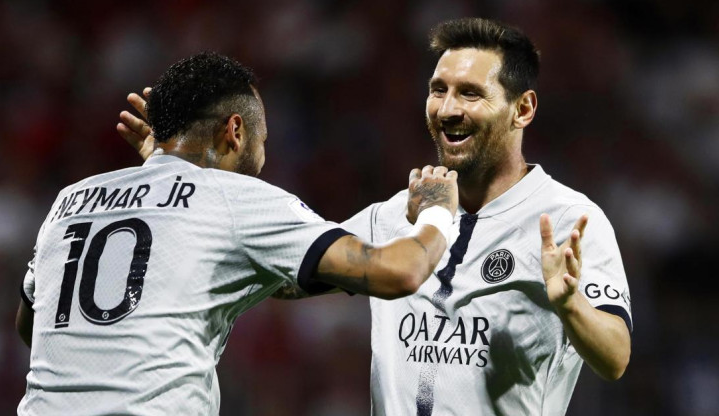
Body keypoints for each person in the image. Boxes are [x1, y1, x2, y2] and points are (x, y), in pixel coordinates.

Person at [119, 19, 632, 415]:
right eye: (438, 89)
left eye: (470, 93)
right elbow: (276, 273)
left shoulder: (568, 219)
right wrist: (175, 176)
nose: (447, 108)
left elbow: (614, 358)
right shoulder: (393, 216)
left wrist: (571, 308)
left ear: (522, 109)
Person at [15, 52, 461, 415]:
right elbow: (399, 272)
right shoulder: (234, 196)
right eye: (263, 140)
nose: (263, 156)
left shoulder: (69, 200)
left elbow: (33, 326)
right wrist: (438, 212)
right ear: (235, 131)